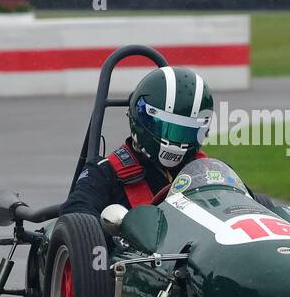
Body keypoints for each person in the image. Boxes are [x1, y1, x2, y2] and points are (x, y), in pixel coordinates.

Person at [61, 66, 214, 216]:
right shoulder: (105, 174)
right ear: (142, 120)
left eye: (187, 132)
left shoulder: (208, 172)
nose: (176, 141)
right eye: (168, 129)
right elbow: (75, 215)